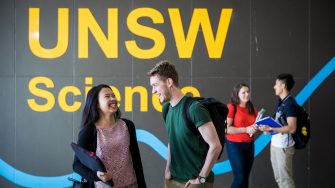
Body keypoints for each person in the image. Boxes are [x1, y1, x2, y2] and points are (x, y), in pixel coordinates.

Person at [147, 60, 222, 188]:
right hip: (172, 180)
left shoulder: (194, 109)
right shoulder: (166, 109)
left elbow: (215, 146)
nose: (153, 91)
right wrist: (167, 170)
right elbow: (172, 140)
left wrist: (201, 179)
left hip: (194, 182)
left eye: (155, 85)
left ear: (169, 82)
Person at [72, 84, 146, 188]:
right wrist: (96, 176)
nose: (113, 99)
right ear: (97, 104)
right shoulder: (89, 131)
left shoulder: (128, 125)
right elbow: (77, 165)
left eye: (114, 95)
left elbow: (136, 160)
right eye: (107, 96)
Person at [258, 73, 299, 188]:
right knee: (279, 179)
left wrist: (271, 128)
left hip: (284, 147)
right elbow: (280, 124)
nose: (274, 87)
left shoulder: (290, 103)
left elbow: (292, 128)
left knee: (285, 181)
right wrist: (269, 130)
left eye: (276, 84)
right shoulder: (282, 102)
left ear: (283, 85)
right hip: (276, 144)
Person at [226, 83, 258, 188]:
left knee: (245, 178)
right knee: (239, 177)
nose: (247, 94)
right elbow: (227, 129)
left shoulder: (251, 107)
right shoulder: (231, 107)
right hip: (235, 145)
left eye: (248, 92)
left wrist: (258, 128)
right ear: (237, 94)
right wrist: (246, 129)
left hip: (249, 145)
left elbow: (256, 124)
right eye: (243, 92)